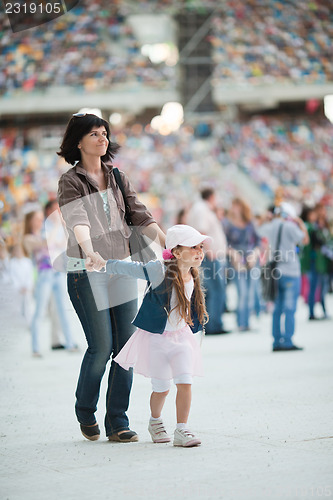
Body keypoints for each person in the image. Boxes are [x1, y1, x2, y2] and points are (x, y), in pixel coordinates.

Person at [57, 112, 165, 443]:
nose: (102, 138)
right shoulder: (71, 181)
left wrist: (168, 243)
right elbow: (78, 220)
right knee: (101, 346)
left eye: (104, 133)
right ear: (78, 141)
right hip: (86, 271)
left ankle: (118, 420)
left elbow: (139, 215)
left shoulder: (117, 176)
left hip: (119, 268)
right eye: (94, 134)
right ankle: (85, 410)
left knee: (127, 347)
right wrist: (90, 251)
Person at [90, 225, 209, 447]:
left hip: (181, 339)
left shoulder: (193, 273)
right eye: (193, 247)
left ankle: (182, 429)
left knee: (185, 381)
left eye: (200, 247)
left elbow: (189, 302)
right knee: (161, 388)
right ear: (175, 252)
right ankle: (155, 421)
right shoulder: (159, 270)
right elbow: (131, 268)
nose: (199, 251)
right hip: (157, 339)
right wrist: (103, 264)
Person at [22, 209, 77, 357]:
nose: (41, 221)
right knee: (39, 312)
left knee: (62, 310)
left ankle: (70, 343)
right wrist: (58, 224)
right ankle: (35, 348)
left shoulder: (47, 232)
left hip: (58, 273)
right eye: (38, 219)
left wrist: (64, 226)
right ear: (30, 221)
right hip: (44, 276)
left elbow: (63, 243)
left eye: (41, 218)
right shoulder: (28, 238)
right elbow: (47, 243)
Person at [257, 202, 309, 352]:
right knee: (290, 307)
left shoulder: (270, 226)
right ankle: (287, 341)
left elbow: (260, 230)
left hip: (275, 271)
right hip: (291, 271)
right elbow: (304, 239)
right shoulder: (290, 226)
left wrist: (267, 218)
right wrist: (299, 222)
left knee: (277, 307)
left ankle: (276, 341)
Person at [187, 188, 230, 335]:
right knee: (216, 289)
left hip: (211, 255)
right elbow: (201, 231)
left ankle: (214, 323)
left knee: (214, 289)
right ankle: (214, 325)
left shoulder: (202, 208)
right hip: (210, 256)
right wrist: (208, 251)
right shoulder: (201, 208)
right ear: (211, 197)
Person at [223, 198, 261, 332]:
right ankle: (241, 322)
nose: (235, 208)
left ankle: (247, 322)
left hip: (251, 260)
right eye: (234, 205)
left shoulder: (250, 223)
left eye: (238, 205)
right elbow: (224, 244)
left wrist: (255, 255)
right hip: (236, 261)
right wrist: (233, 254)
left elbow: (258, 243)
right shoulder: (227, 224)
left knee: (251, 293)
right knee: (242, 292)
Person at [9, 243, 34, 325]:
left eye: (20, 250)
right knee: (18, 306)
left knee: (28, 304)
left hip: (27, 287)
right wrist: (19, 287)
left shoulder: (28, 262)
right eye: (16, 251)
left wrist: (27, 286)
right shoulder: (12, 263)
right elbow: (12, 277)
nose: (18, 252)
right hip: (17, 288)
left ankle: (30, 322)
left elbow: (30, 275)